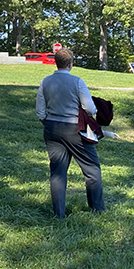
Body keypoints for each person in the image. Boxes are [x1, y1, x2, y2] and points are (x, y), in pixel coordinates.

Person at [36, 48, 103, 218]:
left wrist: (48, 121)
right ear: (71, 64)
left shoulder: (45, 81)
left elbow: (40, 111)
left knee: (57, 172)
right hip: (75, 129)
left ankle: (58, 214)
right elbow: (90, 108)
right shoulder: (77, 82)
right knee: (92, 169)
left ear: (55, 62)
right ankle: (97, 209)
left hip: (52, 128)